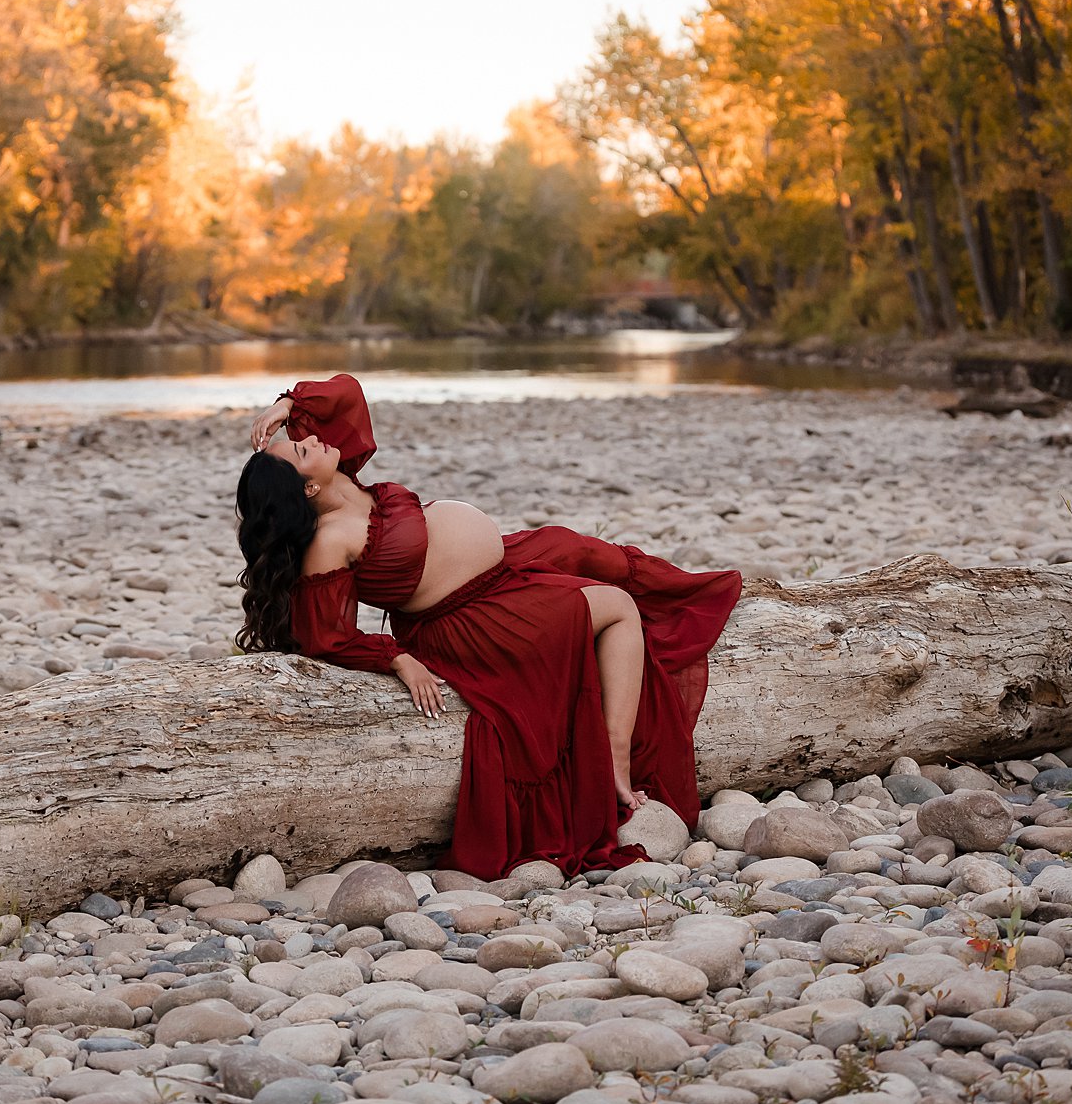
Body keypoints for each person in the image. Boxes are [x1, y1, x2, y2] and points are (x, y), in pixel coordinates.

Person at [235, 373, 742, 880]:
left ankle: (679, 601)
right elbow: (327, 636)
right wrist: (397, 657)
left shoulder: (342, 475)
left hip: (500, 577)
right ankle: (615, 761)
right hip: (475, 621)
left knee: (585, 552)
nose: (308, 438)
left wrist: (286, 404)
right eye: (300, 451)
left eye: (298, 438)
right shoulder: (329, 539)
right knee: (617, 607)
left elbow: (346, 391)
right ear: (308, 487)